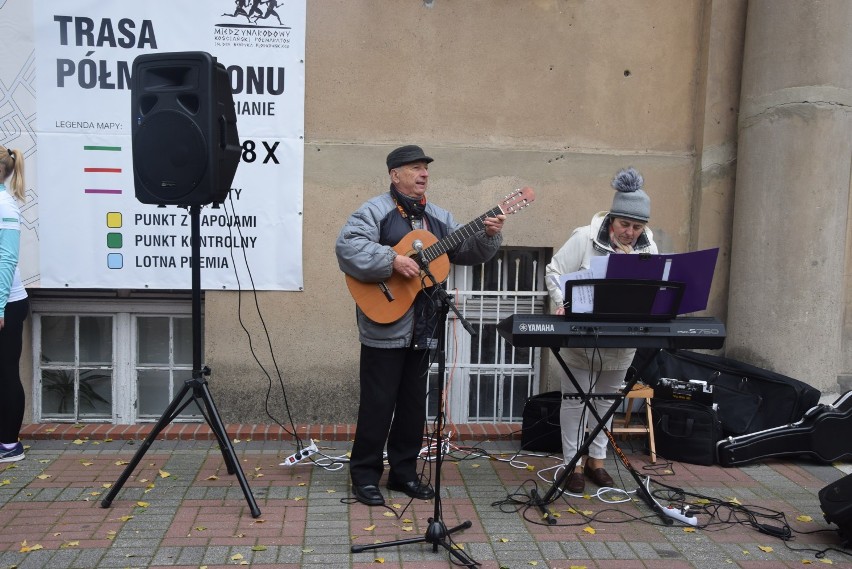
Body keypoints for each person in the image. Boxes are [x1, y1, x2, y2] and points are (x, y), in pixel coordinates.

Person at [336, 145, 506, 506]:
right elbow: (348, 248)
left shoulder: (440, 217)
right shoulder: (374, 211)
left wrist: (489, 235)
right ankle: (364, 476)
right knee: (378, 404)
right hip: (384, 324)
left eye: (426, 168)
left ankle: (403, 474)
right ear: (394, 174)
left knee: (413, 406)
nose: (424, 174)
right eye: (415, 168)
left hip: (425, 325)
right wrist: (392, 260)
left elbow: (468, 252)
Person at [544, 167, 658, 494]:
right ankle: (572, 463)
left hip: (622, 342)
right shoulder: (584, 238)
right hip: (582, 337)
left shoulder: (648, 250)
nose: (630, 232)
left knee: (606, 401)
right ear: (611, 220)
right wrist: (560, 300)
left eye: (637, 227)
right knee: (575, 401)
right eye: (625, 224)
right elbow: (554, 271)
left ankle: (597, 460)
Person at [0, 145, 29, 463]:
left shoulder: (5, 205)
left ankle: (9, 445)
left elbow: (6, 259)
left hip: (7, 303)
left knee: (6, 372)